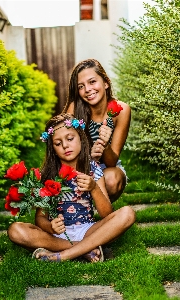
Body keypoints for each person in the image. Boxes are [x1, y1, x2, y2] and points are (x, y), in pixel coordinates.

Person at [7, 113, 135, 262]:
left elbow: (106, 213)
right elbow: (40, 218)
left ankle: (63, 255)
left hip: (88, 230)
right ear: (52, 148)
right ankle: (85, 249)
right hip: (57, 236)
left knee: (127, 214)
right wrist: (50, 227)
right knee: (15, 230)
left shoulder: (92, 168)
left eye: (70, 138)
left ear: (80, 138)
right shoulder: (47, 175)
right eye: (58, 143)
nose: (65, 146)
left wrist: (94, 188)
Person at [63, 59, 131, 203]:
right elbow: (64, 153)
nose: (87, 89)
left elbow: (112, 161)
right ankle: (81, 211)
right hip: (80, 165)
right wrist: (88, 157)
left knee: (112, 180)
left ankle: (99, 211)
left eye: (92, 82)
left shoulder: (121, 110)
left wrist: (105, 145)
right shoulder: (74, 110)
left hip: (107, 167)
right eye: (81, 86)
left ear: (105, 83)